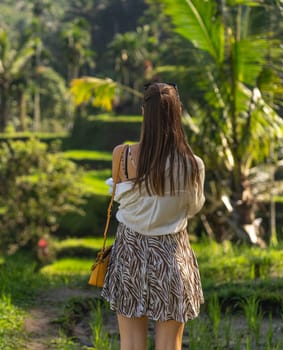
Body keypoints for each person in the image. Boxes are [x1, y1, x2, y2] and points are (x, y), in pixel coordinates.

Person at [101, 82, 205, 350]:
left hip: (129, 254)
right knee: (170, 345)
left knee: (131, 344)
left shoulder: (121, 156)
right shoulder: (193, 165)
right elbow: (193, 208)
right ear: (177, 112)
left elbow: (119, 196)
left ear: (144, 113)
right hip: (171, 255)